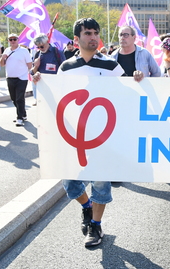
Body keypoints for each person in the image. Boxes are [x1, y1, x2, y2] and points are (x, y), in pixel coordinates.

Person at [33, 18, 130, 247]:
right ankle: (87, 208)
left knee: (100, 184)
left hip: (104, 137)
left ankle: (96, 226)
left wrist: (137, 80)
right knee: (71, 184)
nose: (93, 37)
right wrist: (41, 82)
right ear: (76, 39)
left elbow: (128, 96)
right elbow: (57, 98)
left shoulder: (111, 66)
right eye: (88, 33)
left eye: (96, 32)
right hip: (75, 136)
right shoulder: (66, 67)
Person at [0, 34, 32, 127]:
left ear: (18, 40)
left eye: (14, 39)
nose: (13, 41)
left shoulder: (24, 51)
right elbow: (1, 65)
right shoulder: (6, 50)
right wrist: (3, 57)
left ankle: (19, 118)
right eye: (11, 39)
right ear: (8, 41)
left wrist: (30, 74)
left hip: (21, 78)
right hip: (10, 77)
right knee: (13, 98)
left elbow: (29, 64)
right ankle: (23, 113)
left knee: (19, 98)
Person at [31, 34, 65, 106]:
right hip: (42, 87)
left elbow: (64, 69)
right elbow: (32, 73)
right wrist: (36, 67)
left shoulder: (57, 52)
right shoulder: (37, 54)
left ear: (47, 42)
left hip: (55, 87)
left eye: (42, 46)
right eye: (38, 47)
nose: (40, 48)